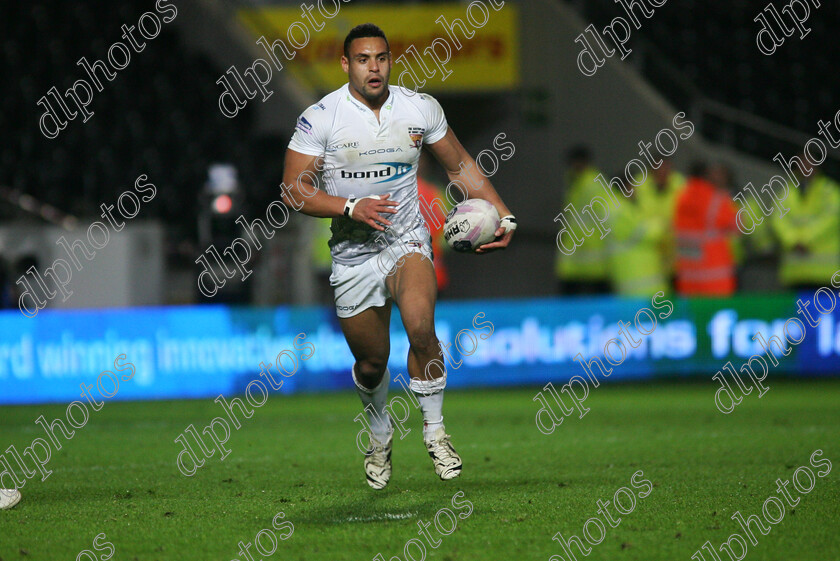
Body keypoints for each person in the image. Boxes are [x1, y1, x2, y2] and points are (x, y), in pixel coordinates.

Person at [281, 24, 516, 489]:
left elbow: (460, 164)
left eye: (382, 58)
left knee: (421, 328)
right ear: (346, 64)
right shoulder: (321, 117)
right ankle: (379, 431)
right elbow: (293, 189)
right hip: (351, 256)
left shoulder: (418, 108)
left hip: (406, 241)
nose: (374, 67)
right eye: (364, 59)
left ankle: (435, 431)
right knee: (372, 363)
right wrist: (350, 206)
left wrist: (504, 216)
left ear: (390, 61)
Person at [770, 157, 840, 291]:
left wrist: (804, 240)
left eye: (810, 164)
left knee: (826, 310)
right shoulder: (787, 192)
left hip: (824, 272)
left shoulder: (830, 190)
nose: (805, 167)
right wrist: (793, 240)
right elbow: (777, 219)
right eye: (801, 164)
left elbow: (832, 219)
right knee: (796, 311)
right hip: (795, 272)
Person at [673, 162, 739, 296]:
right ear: (706, 175)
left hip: (688, 279)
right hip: (715, 279)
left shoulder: (680, 197)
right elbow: (737, 225)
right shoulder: (715, 198)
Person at [555, 146, 610, 295]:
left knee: (598, 298)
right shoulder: (573, 181)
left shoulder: (593, 183)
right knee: (570, 299)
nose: (575, 166)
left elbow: (607, 214)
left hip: (592, 252)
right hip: (574, 252)